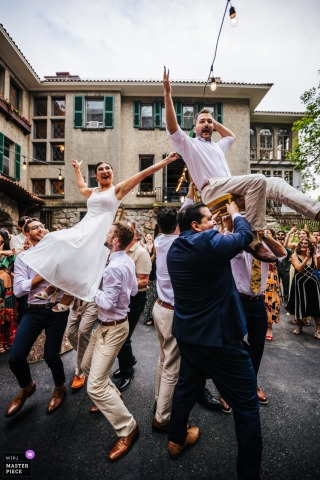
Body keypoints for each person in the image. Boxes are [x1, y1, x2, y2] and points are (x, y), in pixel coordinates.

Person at [163, 67, 320, 262]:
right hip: (212, 189)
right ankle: (253, 237)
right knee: (258, 179)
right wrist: (168, 94)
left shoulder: (218, 147)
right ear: (194, 128)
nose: (206, 125)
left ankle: (316, 211)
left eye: (209, 122)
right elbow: (172, 127)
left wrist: (213, 121)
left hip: (231, 188)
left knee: (276, 183)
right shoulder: (190, 145)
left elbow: (231, 136)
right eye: (202, 122)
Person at [166, 202, 262, 479]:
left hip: (189, 334)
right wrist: (234, 212)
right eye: (209, 219)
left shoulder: (176, 247)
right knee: (246, 406)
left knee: (187, 386)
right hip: (219, 339)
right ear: (196, 226)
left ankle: (176, 440)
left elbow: (214, 241)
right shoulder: (207, 241)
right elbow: (244, 235)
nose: (213, 222)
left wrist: (214, 224)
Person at [22, 153, 180, 310]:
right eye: (101, 169)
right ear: (96, 175)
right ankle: (51, 289)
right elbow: (82, 187)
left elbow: (143, 174)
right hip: (83, 228)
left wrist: (166, 161)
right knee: (58, 243)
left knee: (84, 263)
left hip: (99, 233)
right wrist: (77, 169)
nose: (105, 171)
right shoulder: (94, 191)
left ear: (112, 173)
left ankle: (65, 300)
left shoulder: (117, 190)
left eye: (108, 168)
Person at [81, 221, 139, 462]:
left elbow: (106, 302)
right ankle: (114, 396)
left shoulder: (114, 267)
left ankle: (128, 428)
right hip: (109, 326)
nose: (106, 235)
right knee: (86, 366)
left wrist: (90, 287)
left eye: (109, 232)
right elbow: (134, 290)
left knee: (94, 386)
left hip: (113, 329)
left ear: (115, 240)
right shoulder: (125, 260)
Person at [5, 219, 69, 418]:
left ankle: (60, 387)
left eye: (41, 225)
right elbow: (18, 290)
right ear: (26, 234)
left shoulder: (59, 253)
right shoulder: (24, 258)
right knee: (15, 357)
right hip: (33, 310)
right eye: (34, 227)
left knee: (51, 355)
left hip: (57, 310)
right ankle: (28, 386)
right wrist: (42, 275)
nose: (40, 228)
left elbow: (71, 279)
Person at [223, 218, 286, 405]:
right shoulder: (236, 244)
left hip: (259, 302)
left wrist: (264, 234)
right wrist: (232, 229)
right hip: (238, 300)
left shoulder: (265, 249)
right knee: (232, 346)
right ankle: (227, 390)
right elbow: (226, 248)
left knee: (257, 347)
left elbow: (282, 254)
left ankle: (252, 383)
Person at [113, 221, 151, 392]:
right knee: (121, 336)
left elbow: (143, 281)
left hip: (135, 300)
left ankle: (128, 371)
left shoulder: (141, 253)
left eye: (129, 230)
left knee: (123, 337)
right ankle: (128, 361)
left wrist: (119, 284)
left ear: (135, 235)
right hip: (122, 299)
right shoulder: (119, 250)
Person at [286, 239, 320, 339]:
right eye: (301, 243)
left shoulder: (313, 256)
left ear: (309, 246)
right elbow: (298, 268)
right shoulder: (294, 256)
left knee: (316, 305)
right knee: (299, 306)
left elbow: (317, 269)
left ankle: (318, 329)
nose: (303, 245)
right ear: (299, 245)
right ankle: (300, 327)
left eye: (306, 243)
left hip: (313, 283)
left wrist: (317, 260)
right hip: (299, 283)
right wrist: (306, 258)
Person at [66, 299, 98, 390]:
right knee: (70, 333)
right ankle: (90, 355)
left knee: (83, 332)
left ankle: (80, 372)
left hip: (93, 300)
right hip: (76, 300)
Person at [0, 229, 17, 353]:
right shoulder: (6, 252)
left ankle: (6, 341)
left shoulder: (11, 253)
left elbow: (12, 269)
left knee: (8, 313)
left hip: (7, 284)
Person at [142, 233, 157, 326]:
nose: (149, 238)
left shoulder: (156, 247)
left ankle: (152, 316)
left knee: (155, 298)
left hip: (157, 276)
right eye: (147, 237)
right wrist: (154, 254)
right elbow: (149, 262)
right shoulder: (146, 249)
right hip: (151, 275)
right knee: (150, 298)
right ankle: (146, 317)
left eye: (150, 236)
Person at [276, 231, 292, 305]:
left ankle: (286, 302)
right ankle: (276, 301)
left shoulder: (288, 249)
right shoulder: (273, 247)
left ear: (285, 236)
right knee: (276, 286)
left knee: (286, 287)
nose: (280, 236)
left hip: (286, 270)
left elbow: (288, 254)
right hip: (276, 270)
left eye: (282, 235)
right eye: (279, 235)